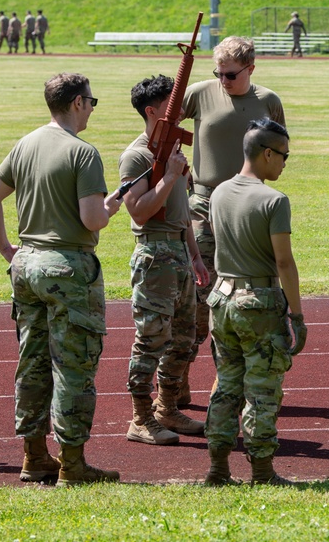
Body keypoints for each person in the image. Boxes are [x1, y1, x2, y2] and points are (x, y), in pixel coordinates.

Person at [0, 73, 124, 486]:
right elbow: (92, 219)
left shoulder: (25, 144)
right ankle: (73, 464)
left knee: (34, 363)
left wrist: (7, 249)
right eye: (92, 102)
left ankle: (34, 456)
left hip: (26, 263)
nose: (92, 109)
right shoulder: (83, 153)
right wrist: (112, 206)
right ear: (77, 103)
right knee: (74, 366)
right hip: (67, 266)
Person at [180, 36, 286, 408]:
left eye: (230, 75)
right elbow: (161, 133)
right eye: (218, 73)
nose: (222, 81)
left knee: (242, 291)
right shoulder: (199, 93)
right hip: (205, 202)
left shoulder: (268, 101)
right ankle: (178, 375)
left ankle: (225, 379)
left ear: (251, 69)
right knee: (197, 289)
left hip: (247, 205)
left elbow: (279, 154)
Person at [203, 117, 306, 486]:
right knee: (262, 390)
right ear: (266, 154)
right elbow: (283, 262)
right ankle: (262, 471)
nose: (284, 163)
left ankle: (217, 467)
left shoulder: (217, 192)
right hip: (258, 302)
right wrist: (297, 315)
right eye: (283, 156)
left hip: (222, 298)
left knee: (226, 385)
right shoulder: (274, 200)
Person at [119, 75, 210, 446]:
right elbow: (139, 212)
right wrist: (170, 175)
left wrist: (195, 257)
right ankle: (140, 419)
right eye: (170, 108)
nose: (180, 117)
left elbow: (183, 213)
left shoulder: (172, 151)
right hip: (155, 256)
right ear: (152, 111)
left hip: (179, 255)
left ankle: (166, 408)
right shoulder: (137, 156)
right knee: (151, 340)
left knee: (184, 340)